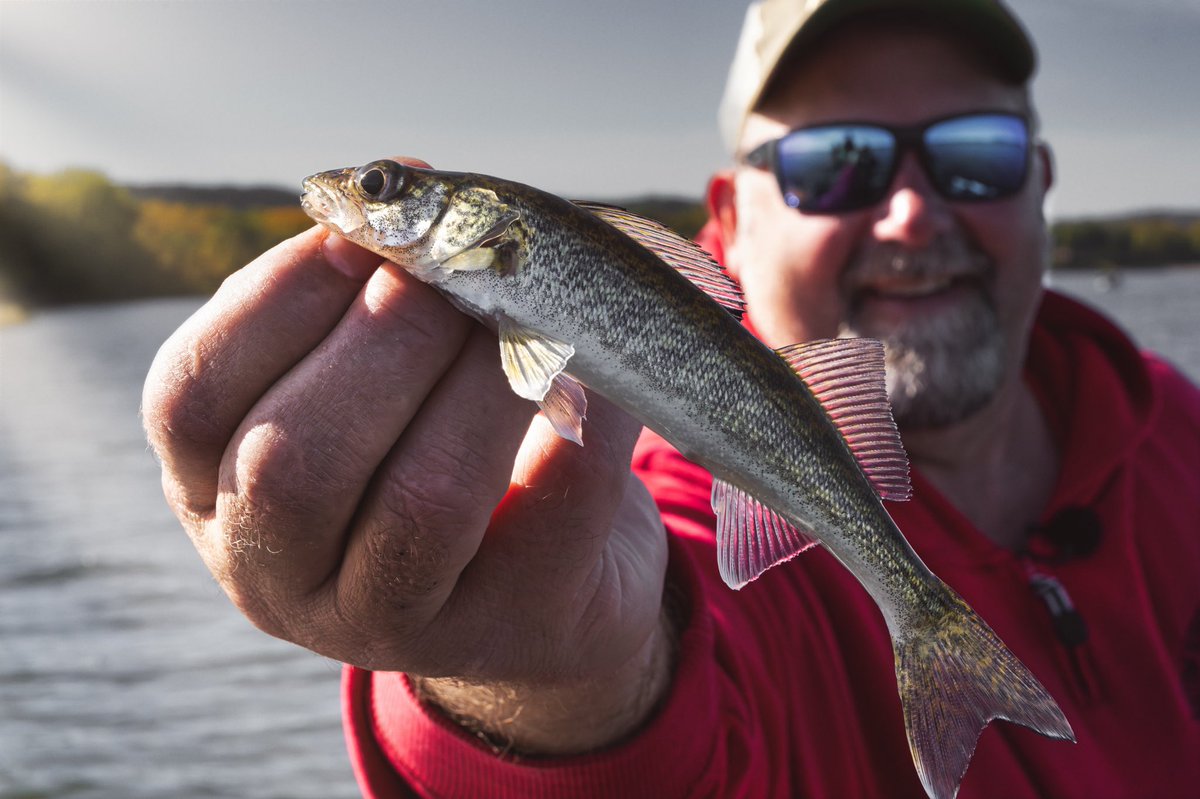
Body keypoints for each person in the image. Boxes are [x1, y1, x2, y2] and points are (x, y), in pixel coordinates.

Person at [142, 0, 1200, 796]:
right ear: (730, 217)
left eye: (977, 154)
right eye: (837, 164)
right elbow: (667, 716)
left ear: (1043, 181)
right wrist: (548, 687)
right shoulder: (651, 513)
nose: (912, 214)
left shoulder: (1180, 426)